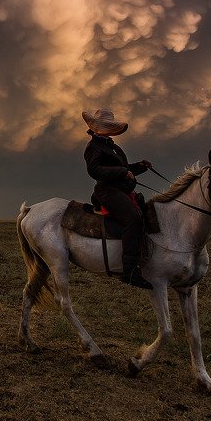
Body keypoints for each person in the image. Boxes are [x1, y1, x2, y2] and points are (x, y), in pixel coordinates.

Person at [82, 109, 154, 289]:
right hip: (107, 191)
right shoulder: (93, 147)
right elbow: (94, 170)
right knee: (133, 219)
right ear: (97, 128)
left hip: (121, 189)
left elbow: (123, 168)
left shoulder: (112, 146)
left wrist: (139, 166)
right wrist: (123, 171)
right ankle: (129, 270)